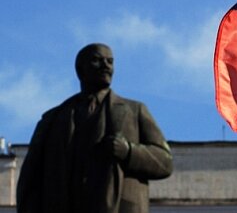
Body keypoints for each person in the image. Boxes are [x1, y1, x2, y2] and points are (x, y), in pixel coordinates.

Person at [17, 43, 173, 213]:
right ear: (80, 69)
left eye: (110, 61)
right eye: (97, 60)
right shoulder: (52, 120)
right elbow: (29, 181)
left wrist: (128, 152)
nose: (106, 65)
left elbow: (165, 162)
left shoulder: (135, 111)